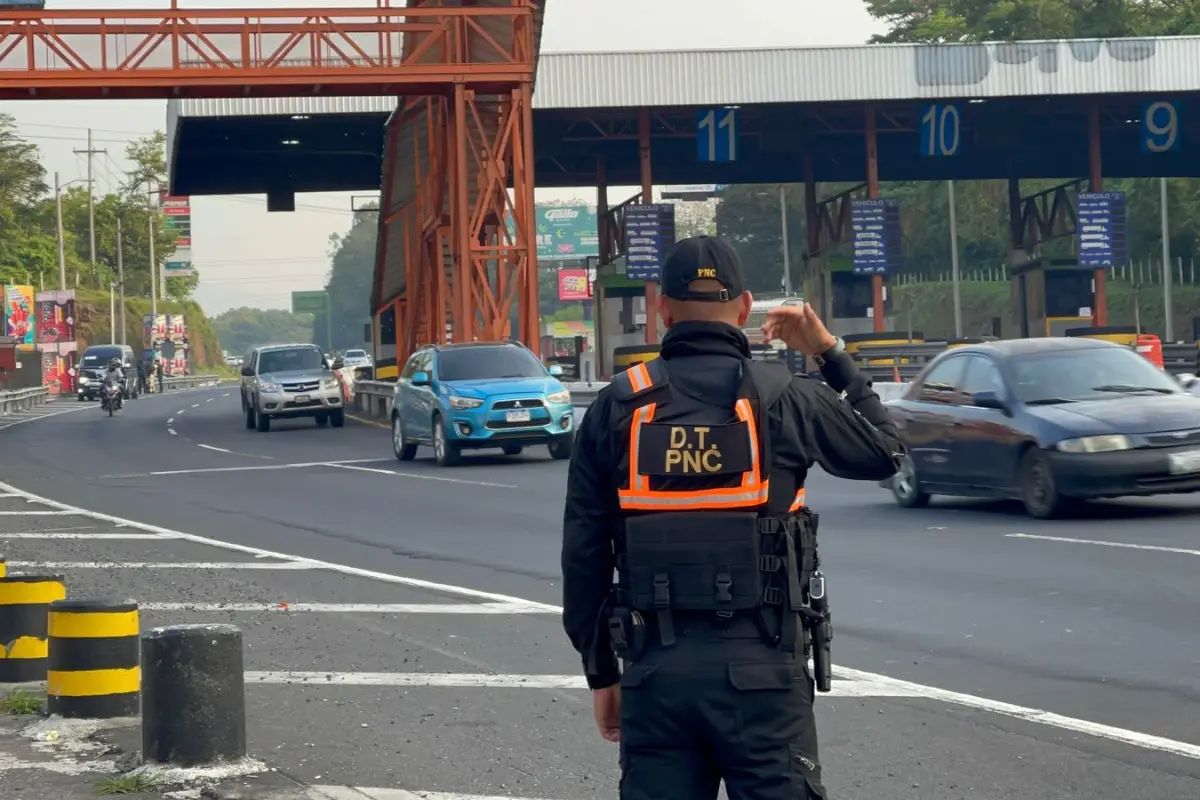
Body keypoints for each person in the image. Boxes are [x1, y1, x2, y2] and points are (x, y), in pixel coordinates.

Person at [561, 235, 904, 800]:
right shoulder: (788, 397)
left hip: (655, 674)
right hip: (765, 678)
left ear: (662, 309)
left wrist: (602, 671)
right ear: (745, 309)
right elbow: (886, 451)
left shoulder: (618, 406)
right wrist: (828, 353)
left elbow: (585, 553)